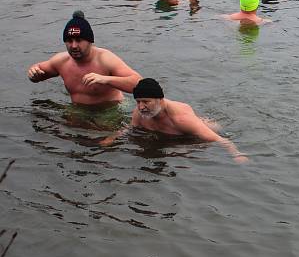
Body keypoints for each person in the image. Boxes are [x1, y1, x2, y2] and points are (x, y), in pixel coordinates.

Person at [101, 78, 248, 163]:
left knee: (209, 132)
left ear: (160, 99)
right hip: (169, 134)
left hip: (190, 132)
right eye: (138, 101)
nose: (141, 106)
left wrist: (237, 154)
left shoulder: (181, 119)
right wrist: (112, 138)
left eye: (146, 101)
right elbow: (130, 128)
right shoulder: (139, 112)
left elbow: (219, 139)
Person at [27, 11, 142, 105]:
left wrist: (105, 79)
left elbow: (140, 84)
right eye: (69, 41)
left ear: (90, 41)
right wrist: (33, 73)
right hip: (78, 111)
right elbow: (37, 73)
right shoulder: (61, 61)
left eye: (79, 40)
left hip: (110, 111)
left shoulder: (105, 59)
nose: (74, 46)